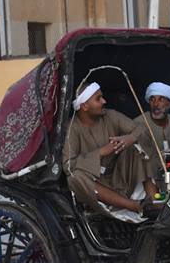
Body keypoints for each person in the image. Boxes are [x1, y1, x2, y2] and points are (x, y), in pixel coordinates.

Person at [63, 81, 156, 221]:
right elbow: (68, 165)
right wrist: (100, 152)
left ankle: (155, 202)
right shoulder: (71, 128)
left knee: (136, 147)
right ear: (84, 106)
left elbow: (142, 129)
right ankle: (135, 206)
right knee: (74, 177)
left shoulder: (110, 115)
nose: (104, 101)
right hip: (95, 184)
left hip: (119, 177)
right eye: (98, 98)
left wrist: (130, 138)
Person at [130, 81, 170, 185]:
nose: (155, 104)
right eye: (152, 99)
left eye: (161, 99)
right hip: (149, 182)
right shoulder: (138, 123)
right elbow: (145, 161)